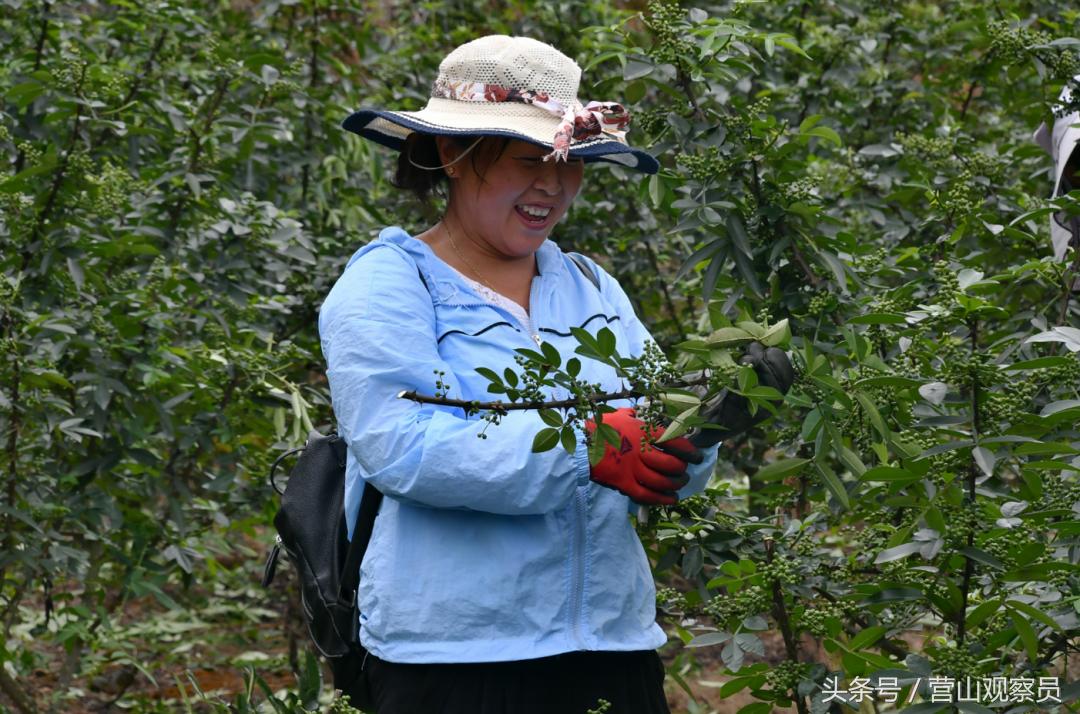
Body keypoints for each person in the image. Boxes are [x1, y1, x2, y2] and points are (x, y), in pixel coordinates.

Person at [321, 35, 791, 714]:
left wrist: (704, 428)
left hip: (610, 645)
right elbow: (402, 446)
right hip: (457, 662)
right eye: (527, 160)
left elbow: (655, 454)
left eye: (568, 161)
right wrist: (589, 449)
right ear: (452, 156)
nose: (553, 185)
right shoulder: (392, 284)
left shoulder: (590, 288)